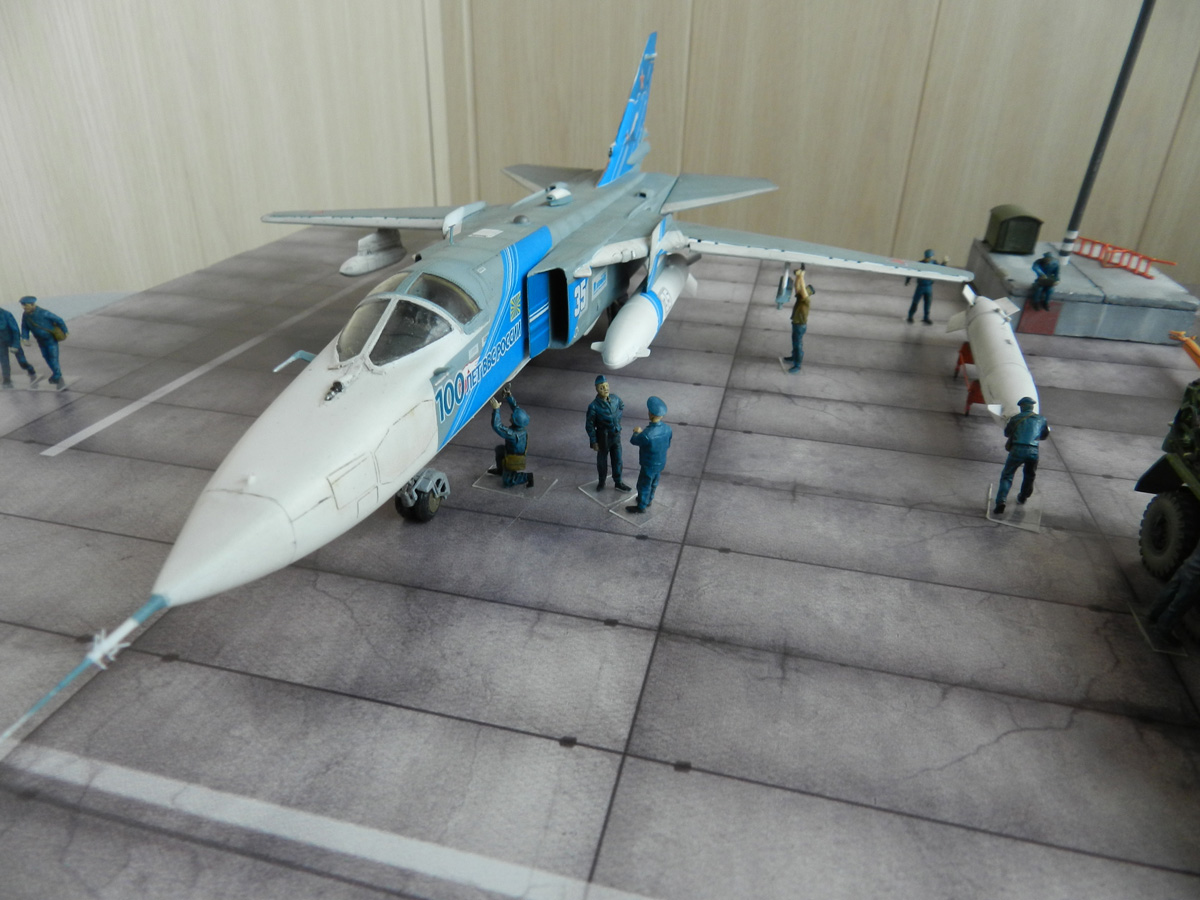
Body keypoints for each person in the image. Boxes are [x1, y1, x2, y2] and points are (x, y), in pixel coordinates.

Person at [993, 397, 1050, 515]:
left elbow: (1007, 433)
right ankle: (1023, 497)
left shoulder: (1015, 419)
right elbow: (1044, 435)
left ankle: (1001, 501)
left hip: (1017, 449)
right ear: (1032, 407)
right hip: (1033, 450)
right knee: (1030, 475)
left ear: (1022, 407)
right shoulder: (1041, 419)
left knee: (1007, 475)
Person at [1147, 542, 1200, 647]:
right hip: (1196, 576)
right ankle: (1163, 629)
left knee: (1172, 589)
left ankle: (1154, 613)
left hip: (1189, 565)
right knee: (1181, 602)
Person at [626, 396, 673, 514]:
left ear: (650, 414)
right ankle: (649, 500)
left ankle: (641, 506)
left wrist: (636, 432)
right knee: (654, 482)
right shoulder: (668, 429)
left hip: (648, 464)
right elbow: (668, 444)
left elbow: (634, 441)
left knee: (643, 484)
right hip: (661, 462)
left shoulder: (647, 434)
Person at [586, 375, 630, 491]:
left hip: (615, 436)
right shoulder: (594, 406)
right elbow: (589, 425)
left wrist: (617, 421)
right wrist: (594, 441)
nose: (605, 389)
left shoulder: (615, 399)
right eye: (601, 387)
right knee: (602, 462)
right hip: (603, 438)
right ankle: (601, 481)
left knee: (618, 460)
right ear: (597, 389)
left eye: (606, 386)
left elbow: (622, 406)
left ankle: (618, 482)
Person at [488, 388, 534, 488]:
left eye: (512, 417)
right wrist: (509, 396)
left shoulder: (513, 434)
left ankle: (527, 477)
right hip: (510, 451)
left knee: (508, 480)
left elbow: (497, 426)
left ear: (515, 421)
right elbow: (516, 408)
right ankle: (501, 470)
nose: (511, 416)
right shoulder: (521, 427)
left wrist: (496, 409)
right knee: (500, 450)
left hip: (514, 458)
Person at [19, 296, 67, 389]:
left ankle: (57, 375)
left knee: (53, 357)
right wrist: (25, 337)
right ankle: (56, 373)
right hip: (40, 341)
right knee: (46, 357)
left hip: (50, 340)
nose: (24, 307)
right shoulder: (26, 315)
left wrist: (65, 331)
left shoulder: (44, 313)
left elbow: (59, 320)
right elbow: (24, 327)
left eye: (26, 305)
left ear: (32, 304)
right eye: (23, 305)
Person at [784, 267, 814, 374]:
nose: (803, 289)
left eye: (805, 290)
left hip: (800, 325)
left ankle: (797, 365)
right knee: (795, 343)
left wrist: (801, 276)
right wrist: (798, 276)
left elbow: (802, 289)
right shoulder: (800, 298)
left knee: (798, 345)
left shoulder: (806, 300)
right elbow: (797, 287)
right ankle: (794, 357)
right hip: (796, 324)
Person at [1, 305, 38, 388]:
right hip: (1, 343)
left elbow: (15, 330)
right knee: (4, 362)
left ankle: (30, 369)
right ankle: (6, 379)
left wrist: (15, 345)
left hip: (12, 340)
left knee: (22, 361)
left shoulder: (6, 314)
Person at [905, 249, 941, 325]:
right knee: (915, 302)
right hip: (920, 286)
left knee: (928, 303)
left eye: (929, 257)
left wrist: (944, 262)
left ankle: (926, 317)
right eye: (927, 257)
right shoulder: (920, 263)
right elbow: (912, 271)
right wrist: (908, 279)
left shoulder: (934, 263)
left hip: (928, 286)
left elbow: (941, 269)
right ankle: (910, 316)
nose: (928, 259)